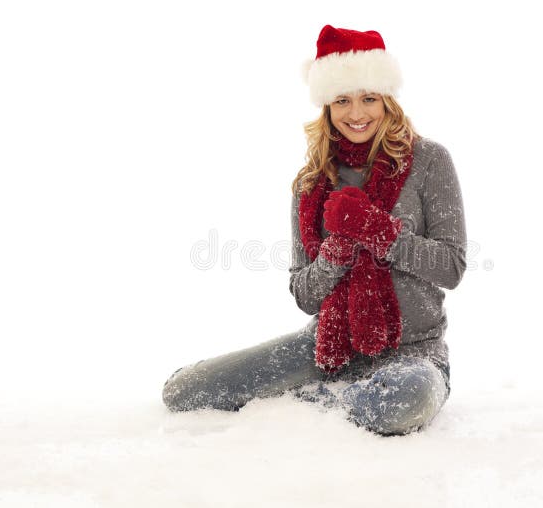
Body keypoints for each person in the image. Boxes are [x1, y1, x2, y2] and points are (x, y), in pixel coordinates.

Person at [162, 25, 467, 436]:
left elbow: (451, 266)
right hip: (328, 348)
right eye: (342, 100)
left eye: (369, 99)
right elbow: (305, 296)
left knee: (402, 402)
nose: (356, 114)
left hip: (414, 355)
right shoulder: (312, 183)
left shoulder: (429, 161)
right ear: (326, 105)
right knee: (183, 392)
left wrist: (377, 231)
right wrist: (336, 252)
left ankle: (313, 403)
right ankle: (338, 392)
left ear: (387, 100)